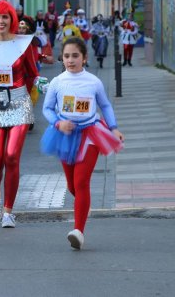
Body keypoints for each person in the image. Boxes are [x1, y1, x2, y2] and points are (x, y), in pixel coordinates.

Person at [0, 0, 48, 228]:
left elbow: (33, 74)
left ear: (12, 19)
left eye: (5, 17)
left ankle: (8, 211)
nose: (1, 21)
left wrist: (49, 87)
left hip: (19, 104)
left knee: (12, 156)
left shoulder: (24, 44)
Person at [41, 37, 124, 250]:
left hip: (90, 134)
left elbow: (105, 105)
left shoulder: (93, 82)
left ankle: (78, 231)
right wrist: (58, 123)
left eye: (75, 56)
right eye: (67, 56)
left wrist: (113, 127)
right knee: (71, 185)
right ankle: (83, 204)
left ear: (84, 58)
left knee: (81, 182)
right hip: (64, 135)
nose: (70, 60)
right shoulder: (57, 82)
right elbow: (47, 109)